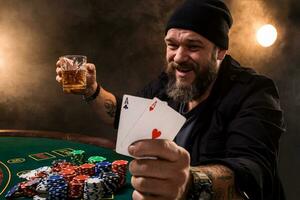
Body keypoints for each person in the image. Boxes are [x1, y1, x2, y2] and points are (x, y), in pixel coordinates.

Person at [56, 0, 286, 199]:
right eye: (172, 45)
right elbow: (124, 114)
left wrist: (190, 183)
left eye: (193, 46)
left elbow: (254, 171)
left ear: (220, 52)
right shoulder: (168, 84)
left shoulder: (255, 92)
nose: (179, 57)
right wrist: (92, 90)